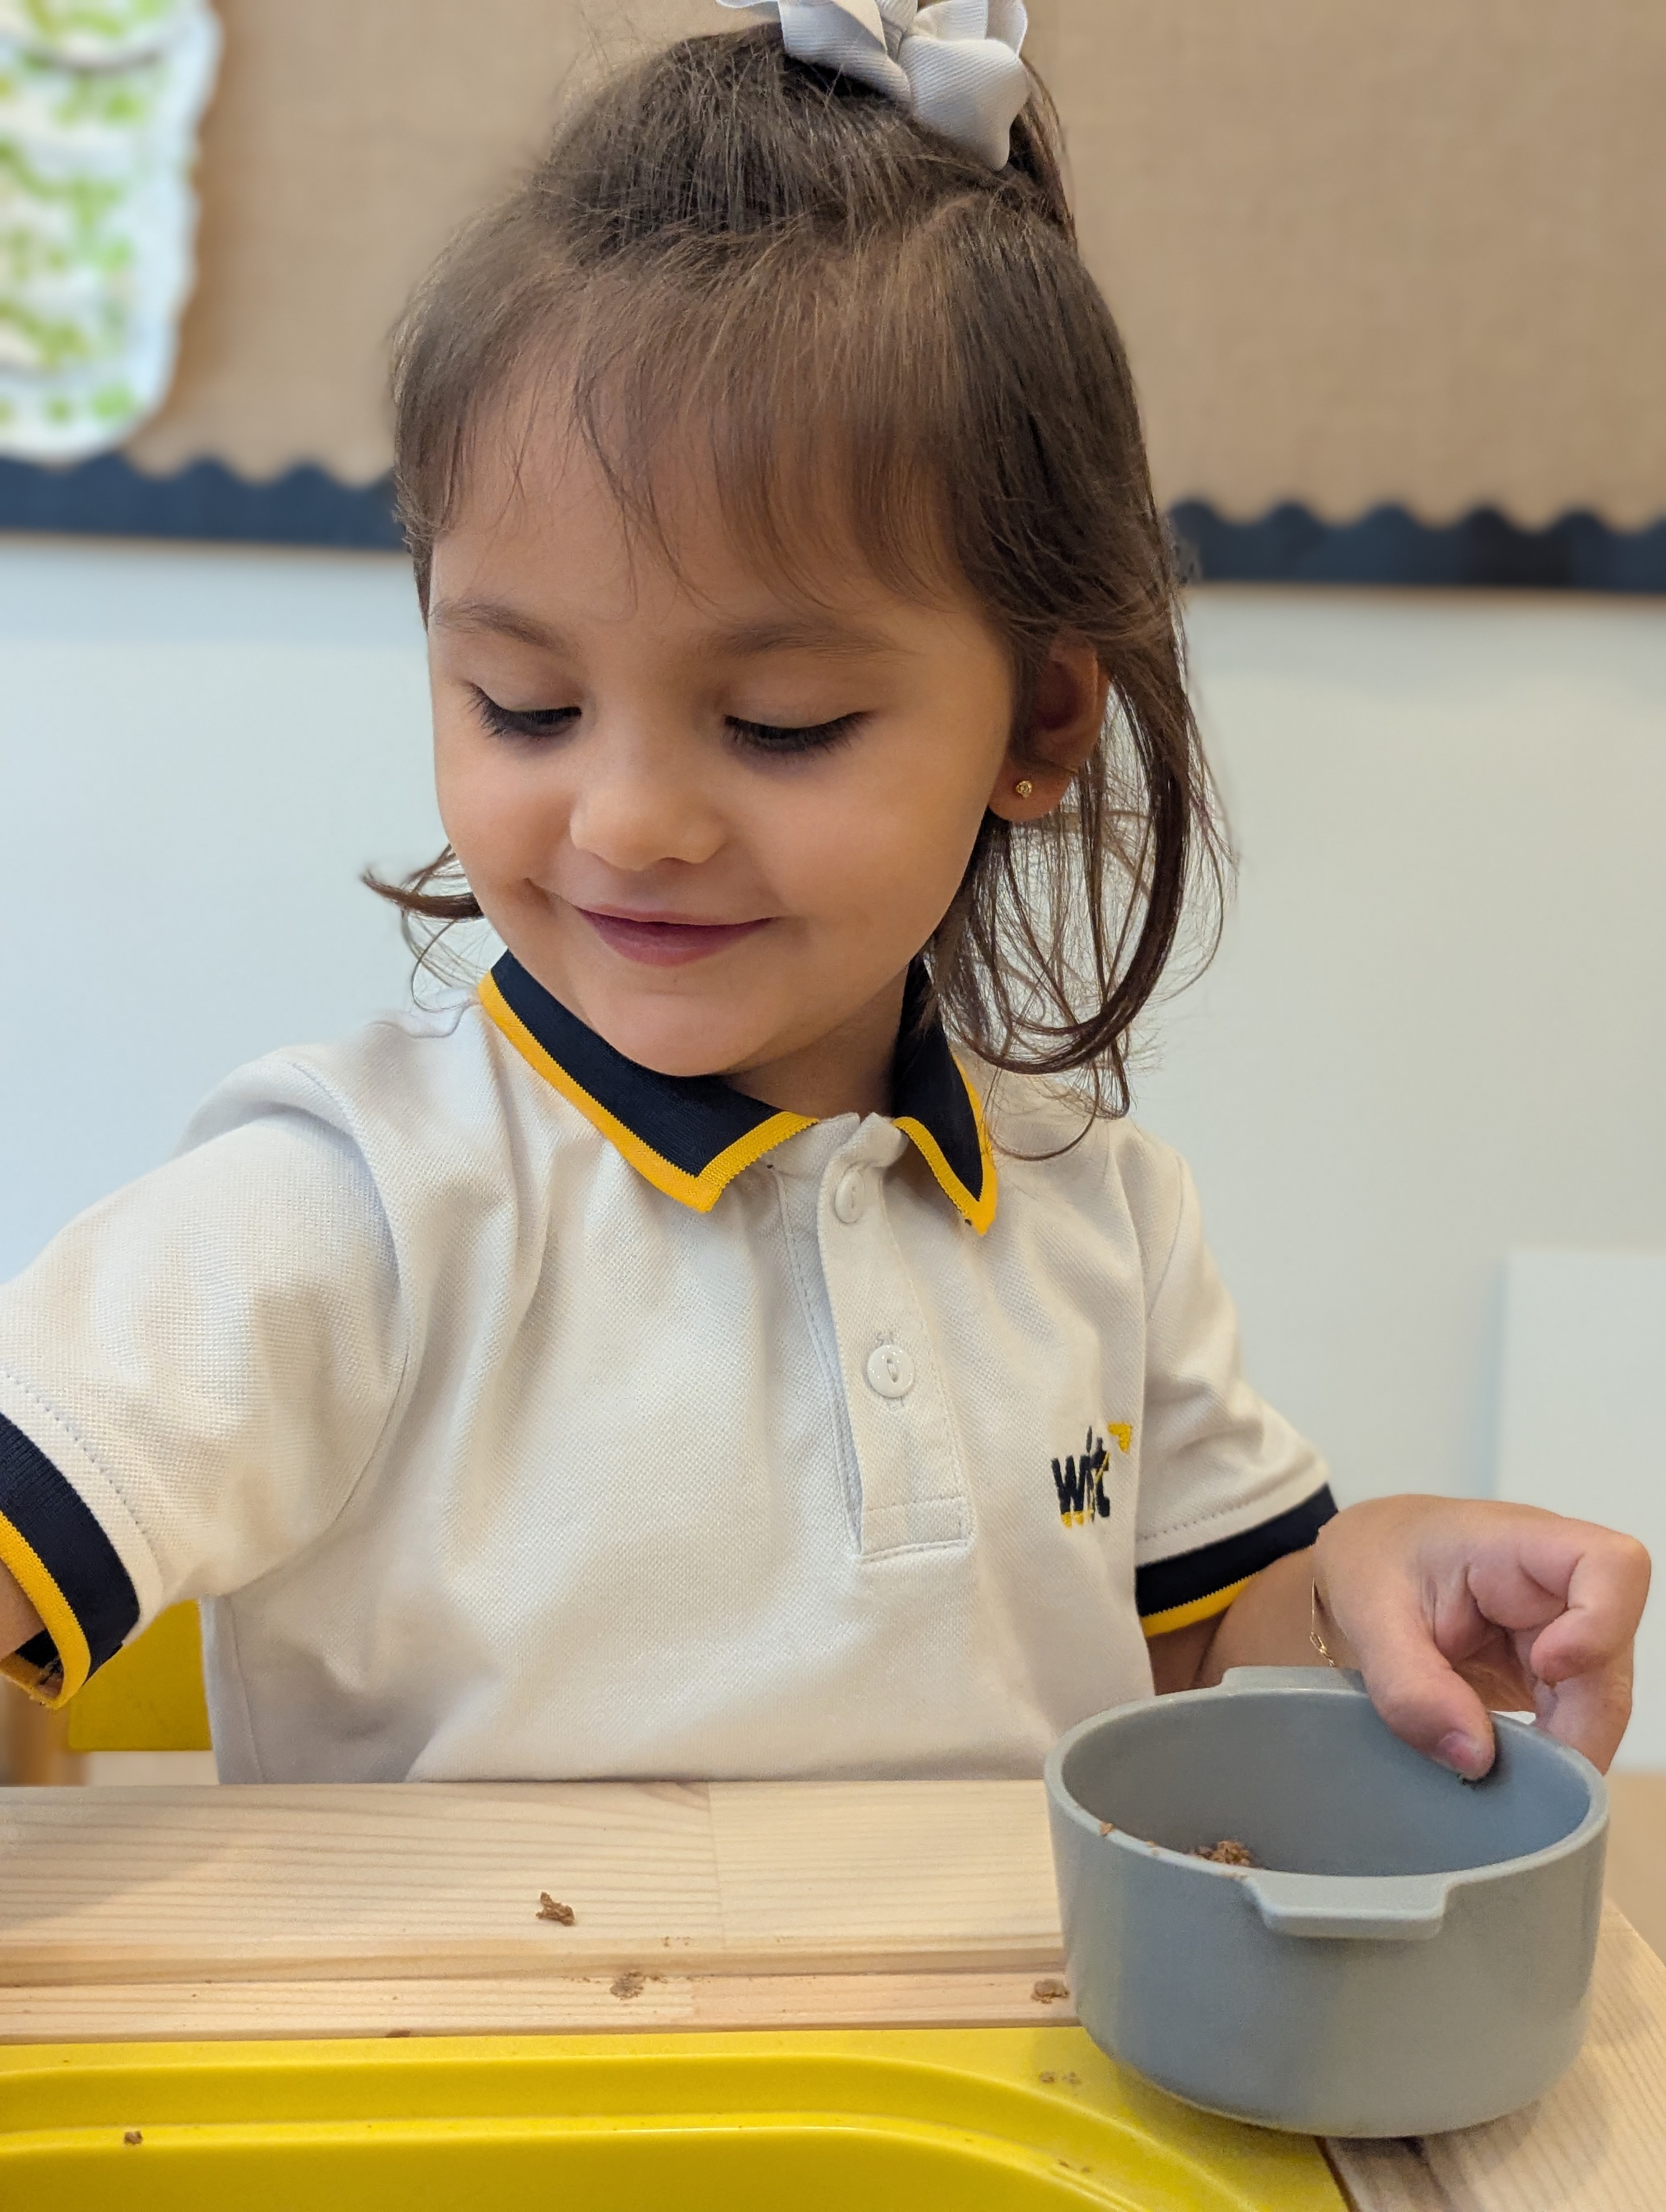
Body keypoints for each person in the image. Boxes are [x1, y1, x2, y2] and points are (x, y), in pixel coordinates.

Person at [0, 8, 1647, 1786]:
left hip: (982, 2066)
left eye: (782, 725)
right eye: (526, 706)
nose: (630, 821)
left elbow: (1203, 1662)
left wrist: (1362, 1595)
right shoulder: (346, 1213)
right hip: (465, 2061)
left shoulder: (1099, 1217)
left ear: (1038, 720)